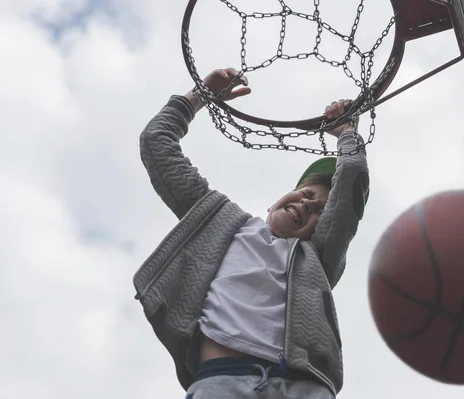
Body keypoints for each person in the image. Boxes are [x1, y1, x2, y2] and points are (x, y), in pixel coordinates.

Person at [133, 67, 370, 398]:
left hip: (302, 386)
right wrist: (200, 95)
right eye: (307, 193)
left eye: (319, 210)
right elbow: (156, 142)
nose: (308, 203)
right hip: (220, 380)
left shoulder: (316, 255)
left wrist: (346, 132)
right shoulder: (218, 220)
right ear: (273, 204)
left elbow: (351, 182)